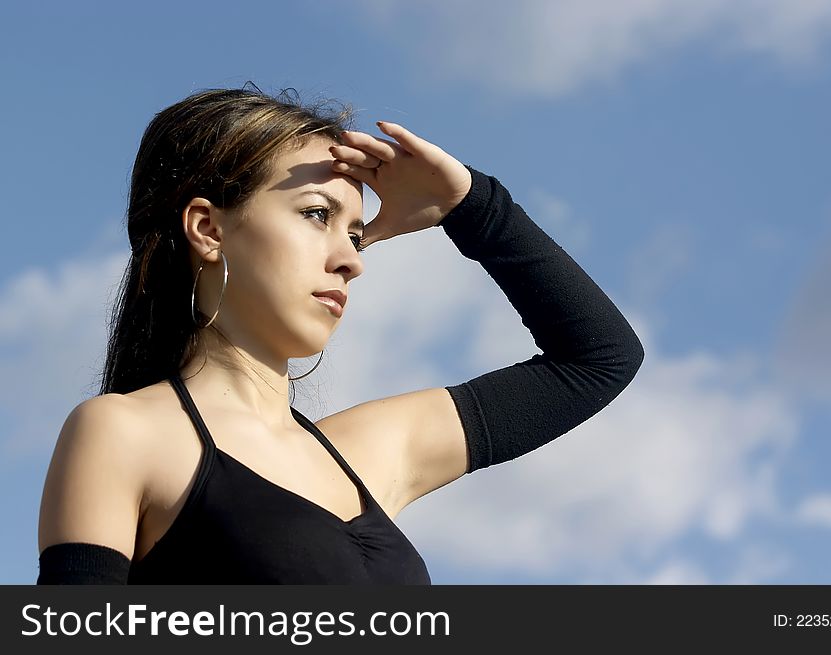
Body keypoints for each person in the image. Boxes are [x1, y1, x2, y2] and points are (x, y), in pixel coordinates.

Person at [36, 87, 644, 584]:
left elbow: (598, 357)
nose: (353, 260)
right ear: (208, 228)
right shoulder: (123, 432)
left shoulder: (365, 455)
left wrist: (470, 205)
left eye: (355, 234)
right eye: (316, 214)